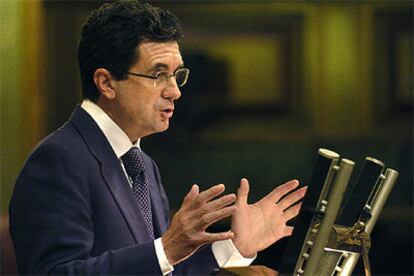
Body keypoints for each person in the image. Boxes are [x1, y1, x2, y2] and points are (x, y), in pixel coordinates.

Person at [9, 1, 306, 275]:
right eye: (158, 75)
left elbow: (163, 268)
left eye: (176, 75)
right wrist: (167, 248)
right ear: (107, 82)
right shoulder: (58, 160)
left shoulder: (143, 164)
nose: (174, 91)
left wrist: (235, 246)